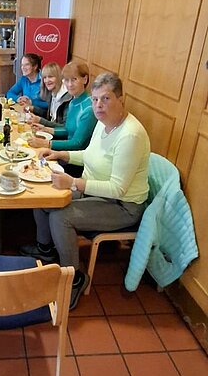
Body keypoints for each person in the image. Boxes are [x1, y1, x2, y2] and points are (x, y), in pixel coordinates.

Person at [20, 72, 150, 310]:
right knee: (44, 195)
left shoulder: (130, 135)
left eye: (106, 99)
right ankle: (46, 251)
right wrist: (60, 154)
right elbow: (89, 156)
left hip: (123, 206)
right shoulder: (103, 123)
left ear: (122, 99)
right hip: (97, 192)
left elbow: (118, 188)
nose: (99, 105)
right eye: (95, 99)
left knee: (61, 216)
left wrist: (73, 182)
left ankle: (75, 278)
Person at [29, 59, 96, 154]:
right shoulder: (73, 101)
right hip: (65, 152)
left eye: (74, 79)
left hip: (75, 160)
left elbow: (78, 143)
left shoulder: (89, 109)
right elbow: (67, 130)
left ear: (85, 79)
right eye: (66, 80)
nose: (69, 84)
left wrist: (47, 144)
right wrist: (45, 129)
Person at [30, 61, 71, 127]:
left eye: (50, 77)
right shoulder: (52, 92)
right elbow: (49, 116)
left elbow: (64, 127)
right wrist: (32, 108)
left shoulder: (67, 98)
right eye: (45, 78)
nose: (47, 81)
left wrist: (40, 121)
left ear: (58, 77)